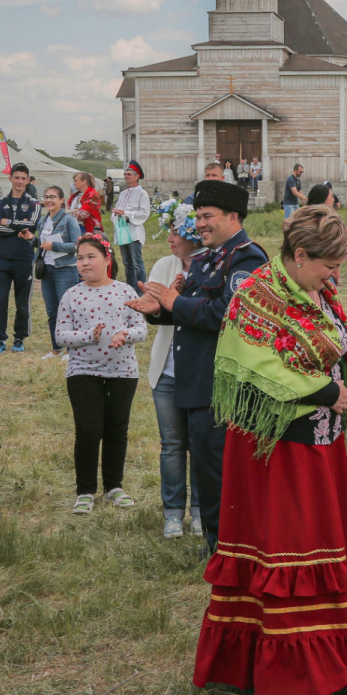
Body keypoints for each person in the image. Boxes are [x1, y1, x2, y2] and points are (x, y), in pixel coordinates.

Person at [193, 205, 347, 695]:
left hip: (318, 443)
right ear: (299, 255)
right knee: (288, 546)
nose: (335, 276)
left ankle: (329, 664)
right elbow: (247, 364)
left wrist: (333, 396)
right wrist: (321, 392)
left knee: (320, 540)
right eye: (330, 265)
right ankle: (298, 678)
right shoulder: (254, 296)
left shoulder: (317, 293)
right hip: (273, 450)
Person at [127, 179, 268, 549]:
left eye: (208, 217)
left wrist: (176, 303)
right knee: (206, 470)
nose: (200, 224)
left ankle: (226, 546)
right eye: (198, 217)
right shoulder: (208, 259)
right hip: (196, 385)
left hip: (220, 387)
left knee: (219, 472)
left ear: (233, 216)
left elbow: (228, 315)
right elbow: (188, 311)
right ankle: (216, 541)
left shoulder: (247, 258)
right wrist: (160, 310)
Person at [55, 235, 146, 514]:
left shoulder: (126, 291)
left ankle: (114, 487)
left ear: (107, 260)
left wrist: (125, 334)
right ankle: (85, 491)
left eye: (90, 256)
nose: (84, 262)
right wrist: (87, 336)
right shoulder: (72, 294)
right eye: (80, 258)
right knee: (88, 430)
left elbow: (141, 328)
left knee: (117, 429)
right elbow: (60, 336)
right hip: (83, 371)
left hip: (123, 372)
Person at [147, 200, 204, 538]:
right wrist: (154, 308)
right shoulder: (164, 265)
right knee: (171, 445)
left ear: (190, 234)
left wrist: (174, 301)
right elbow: (155, 311)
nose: (169, 237)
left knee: (198, 444)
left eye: (174, 230)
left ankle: (199, 511)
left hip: (197, 371)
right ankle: (172, 513)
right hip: (166, 372)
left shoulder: (209, 267)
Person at [0, 162, 39, 353]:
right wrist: (18, 224)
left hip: (24, 259)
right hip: (2, 259)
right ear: (10, 178)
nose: (19, 181)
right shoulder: (0, 202)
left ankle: (20, 338)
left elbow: (31, 226)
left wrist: (6, 222)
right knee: (0, 299)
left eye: (23, 178)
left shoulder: (33, 204)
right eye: (16, 177)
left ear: (27, 180)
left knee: (22, 301)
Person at [35, 185, 82, 361]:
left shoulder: (69, 220)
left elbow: (77, 245)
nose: (49, 200)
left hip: (65, 270)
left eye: (53, 196)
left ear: (61, 200)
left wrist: (54, 246)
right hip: (47, 269)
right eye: (46, 196)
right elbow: (42, 243)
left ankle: (72, 349)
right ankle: (56, 348)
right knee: (52, 311)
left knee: (67, 311)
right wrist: (30, 239)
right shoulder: (43, 220)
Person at [112, 161, 151, 294]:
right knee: (127, 262)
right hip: (122, 230)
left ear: (136, 176)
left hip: (134, 231)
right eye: (125, 174)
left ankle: (141, 290)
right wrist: (116, 215)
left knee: (137, 262)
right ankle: (130, 288)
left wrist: (126, 214)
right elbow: (116, 211)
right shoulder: (123, 194)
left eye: (129, 174)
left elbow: (144, 214)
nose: (126, 176)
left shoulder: (142, 194)